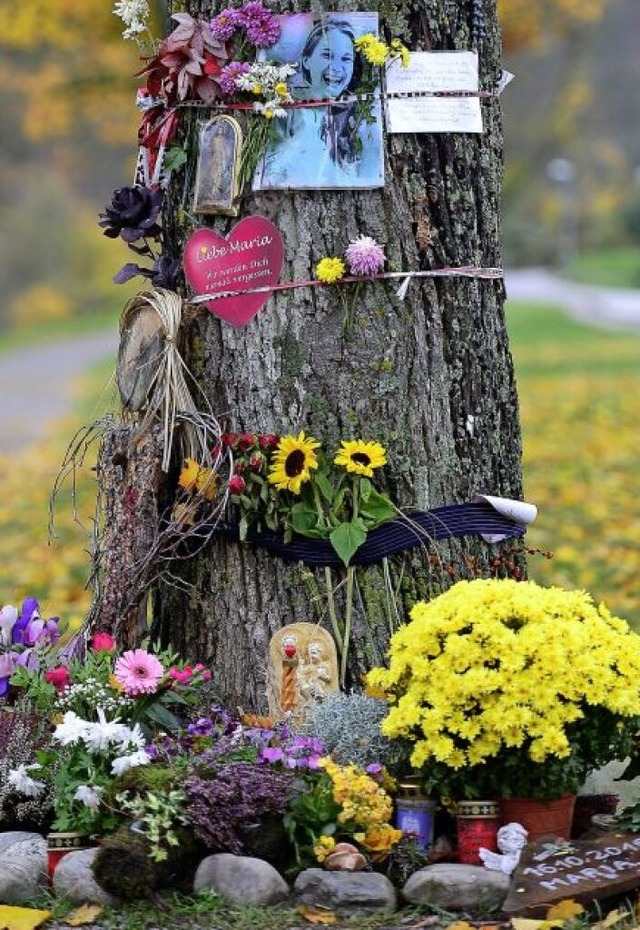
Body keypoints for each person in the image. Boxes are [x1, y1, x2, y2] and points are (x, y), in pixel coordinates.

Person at [253, 17, 383, 190]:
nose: (337, 67)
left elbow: (369, 175)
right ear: (306, 60)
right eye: (327, 55)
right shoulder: (284, 112)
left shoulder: (362, 120)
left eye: (346, 59)